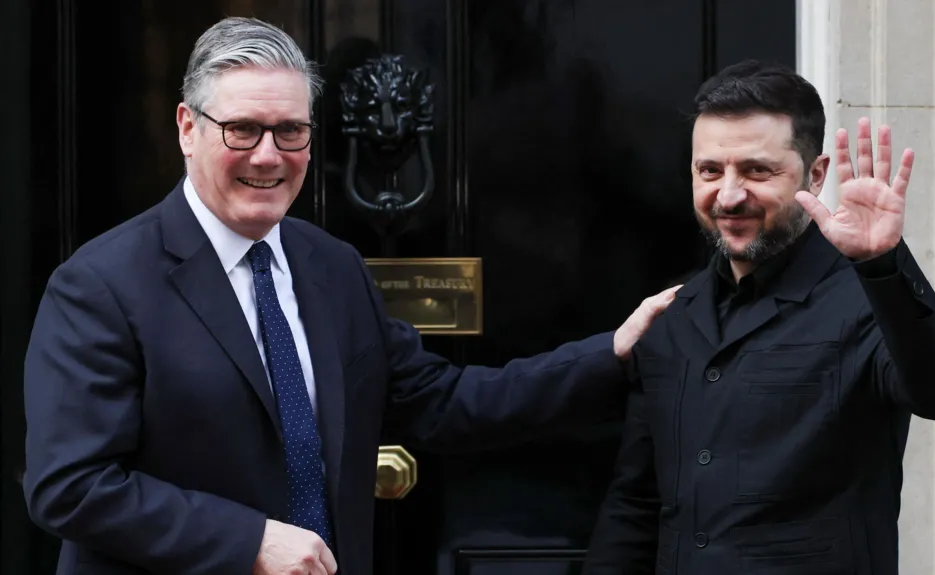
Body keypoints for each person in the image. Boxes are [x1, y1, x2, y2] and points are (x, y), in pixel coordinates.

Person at [21, 17, 677, 575]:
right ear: (188, 128)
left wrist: (612, 354)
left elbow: (443, 403)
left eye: (291, 130)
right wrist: (249, 541)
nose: (269, 156)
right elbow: (71, 486)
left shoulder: (332, 267)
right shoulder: (100, 285)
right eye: (242, 129)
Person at [581, 60, 935, 575]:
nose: (728, 196)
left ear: (815, 174)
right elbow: (636, 502)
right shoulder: (670, 313)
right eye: (710, 171)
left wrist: (882, 263)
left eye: (756, 171)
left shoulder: (868, 296)